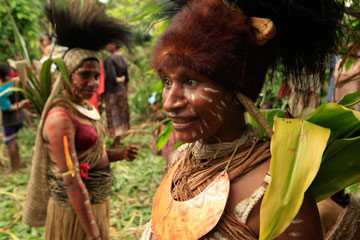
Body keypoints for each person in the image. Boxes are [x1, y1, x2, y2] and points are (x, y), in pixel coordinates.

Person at [141, 0, 343, 239]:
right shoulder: (179, 162)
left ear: (237, 90)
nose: (169, 103)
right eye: (167, 81)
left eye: (191, 81)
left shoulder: (278, 193)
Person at [23, 1, 138, 240]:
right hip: (76, 215)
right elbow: (72, 181)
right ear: (67, 75)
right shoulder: (59, 119)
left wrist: (120, 154)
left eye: (96, 76)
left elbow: (93, 152)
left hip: (95, 204)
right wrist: (93, 234)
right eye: (85, 75)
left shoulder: (83, 107)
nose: (93, 83)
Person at [0, 61, 27, 174]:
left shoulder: (1, 89)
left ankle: (14, 167)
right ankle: (18, 163)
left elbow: (9, 107)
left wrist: (17, 106)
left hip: (9, 119)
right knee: (14, 141)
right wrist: (22, 104)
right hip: (18, 117)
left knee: (10, 142)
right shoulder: (15, 82)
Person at [103, 42, 131, 147]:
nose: (107, 46)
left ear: (113, 45)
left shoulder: (109, 60)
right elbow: (126, 78)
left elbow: (112, 78)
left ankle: (116, 143)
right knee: (121, 117)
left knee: (114, 117)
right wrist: (125, 90)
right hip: (122, 91)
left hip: (112, 92)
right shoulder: (122, 58)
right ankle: (117, 141)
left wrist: (118, 79)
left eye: (109, 43)